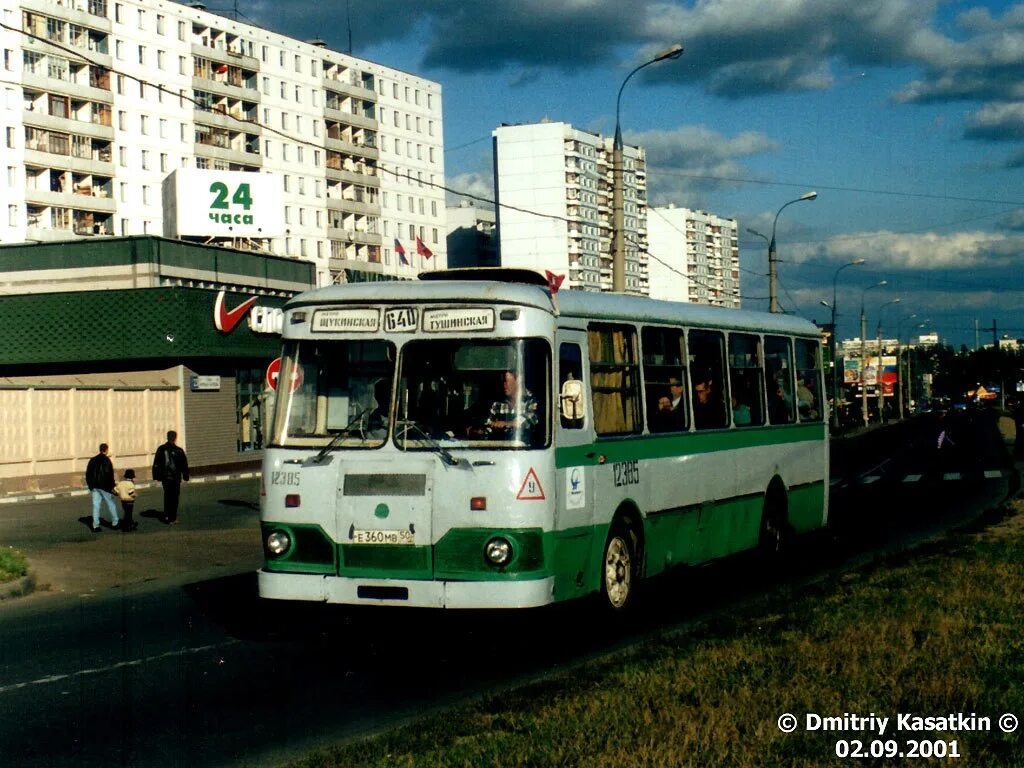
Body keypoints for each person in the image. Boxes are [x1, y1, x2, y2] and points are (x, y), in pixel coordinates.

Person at [480, 370, 538, 439]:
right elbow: (489, 426)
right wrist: (481, 431)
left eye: (506, 380)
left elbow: (529, 421)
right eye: (502, 381)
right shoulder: (497, 404)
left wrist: (505, 424)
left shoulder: (531, 400)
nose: (503, 384)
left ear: (518, 380)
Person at [152, 430, 189, 525]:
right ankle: (173, 517)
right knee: (175, 497)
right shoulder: (179, 450)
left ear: (167, 437)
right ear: (175, 438)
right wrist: (185, 476)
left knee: (167, 496)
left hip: (165, 477)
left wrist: (156, 476)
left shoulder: (161, 449)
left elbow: (156, 463)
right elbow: (184, 464)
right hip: (176, 477)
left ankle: (167, 516)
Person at [85, 443, 119, 532]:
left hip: (95, 486)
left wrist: (90, 486)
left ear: (100, 449)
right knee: (111, 504)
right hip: (104, 486)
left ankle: (95, 525)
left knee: (96, 506)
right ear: (106, 450)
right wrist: (112, 487)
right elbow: (109, 475)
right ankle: (115, 522)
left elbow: (88, 474)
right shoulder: (107, 460)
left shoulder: (92, 460)